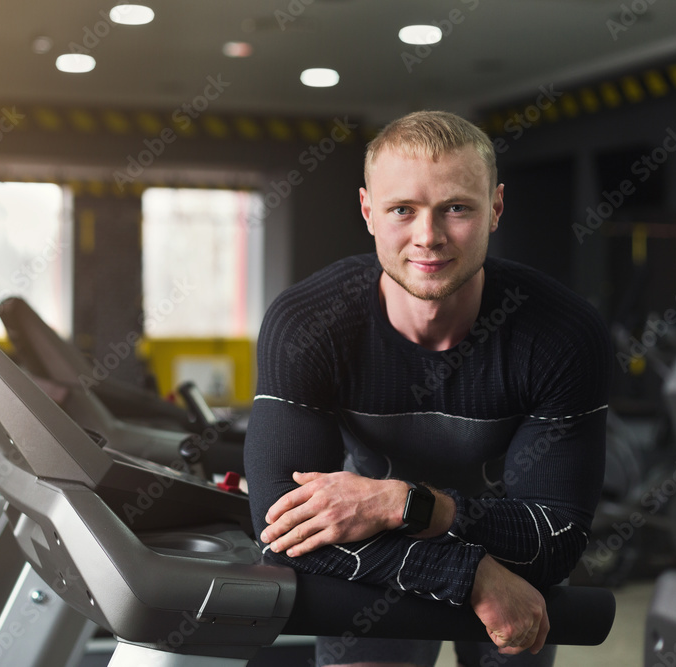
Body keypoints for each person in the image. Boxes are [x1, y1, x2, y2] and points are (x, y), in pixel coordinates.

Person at [243, 110, 611, 667]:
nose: (428, 237)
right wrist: (469, 572)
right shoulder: (308, 323)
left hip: (516, 570)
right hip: (376, 562)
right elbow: (281, 526)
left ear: (496, 208)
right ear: (368, 211)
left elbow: (555, 538)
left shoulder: (562, 334)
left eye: (456, 208)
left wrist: (405, 503)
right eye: (402, 210)